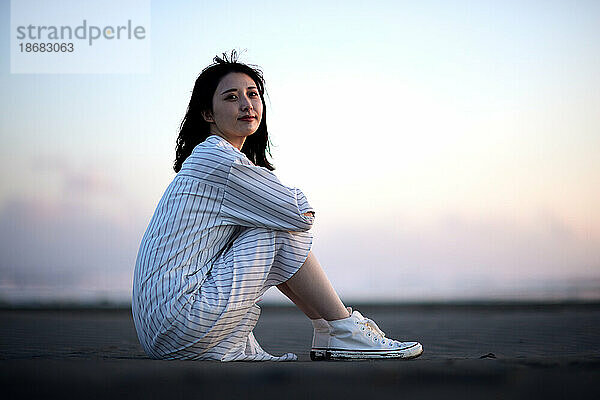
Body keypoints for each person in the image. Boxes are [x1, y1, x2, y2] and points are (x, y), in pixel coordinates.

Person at [131, 51, 423, 362]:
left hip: (163, 329)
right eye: (231, 97)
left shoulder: (208, 159)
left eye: (253, 94)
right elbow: (300, 213)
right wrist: (274, 198)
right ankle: (343, 328)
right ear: (208, 114)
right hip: (180, 321)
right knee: (279, 229)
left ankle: (330, 330)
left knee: (271, 223)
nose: (246, 104)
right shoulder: (218, 159)